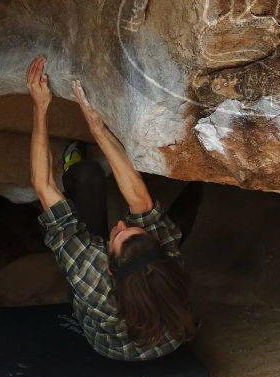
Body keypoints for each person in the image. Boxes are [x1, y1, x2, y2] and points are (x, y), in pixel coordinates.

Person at [25, 54, 202, 361]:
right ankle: (198, 190)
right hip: (168, 341)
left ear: (109, 268)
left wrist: (40, 106)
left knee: (90, 177)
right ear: (158, 250)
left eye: (118, 236)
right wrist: (99, 129)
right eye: (129, 229)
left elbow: (43, 186)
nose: (118, 225)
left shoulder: (90, 276)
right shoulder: (168, 261)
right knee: (185, 204)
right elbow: (141, 203)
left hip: (108, 349)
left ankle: (76, 167)